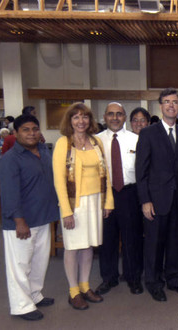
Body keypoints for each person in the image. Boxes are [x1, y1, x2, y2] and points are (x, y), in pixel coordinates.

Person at [0, 115, 58, 321]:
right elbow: (9, 193)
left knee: (39, 262)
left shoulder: (43, 151)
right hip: (20, 222)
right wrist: (19, 221)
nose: (31, 133)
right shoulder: (10, 160)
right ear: (16, 133)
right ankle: (22, 305)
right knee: (20, 265)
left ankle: (34, 294)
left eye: (35, 129)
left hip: (42, 216)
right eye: (26, 130)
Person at [52, 102, 114, 310]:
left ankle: (85, 286)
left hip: (95, 201)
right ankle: (73, 291)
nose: (81, 121)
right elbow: (59, 180)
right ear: (70, 121)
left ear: (90, 120)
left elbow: (106, 175)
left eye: (85, 117)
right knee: (72, 247)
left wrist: (108, 202)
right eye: (76, 117)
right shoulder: (63, 143)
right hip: (74, 204)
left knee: (88, 246)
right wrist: (66, 210)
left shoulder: (96, 141)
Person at [135, 88, 178, 302]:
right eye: (167, 102)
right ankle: (153, 282)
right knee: (154, 244)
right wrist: (145, 201)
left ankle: (174, 280)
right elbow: (141, 171)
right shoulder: (148, 133)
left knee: (176, 242)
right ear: (161, 106)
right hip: (155, 200)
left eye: (175, 102)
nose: (171, 105)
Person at [95, 103, 143, 296]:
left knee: (132, 237)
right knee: (107, 238)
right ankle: (109, 278)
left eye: (119, 114)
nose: (115, 118)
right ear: (104, 117)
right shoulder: (95, 141)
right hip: (104, 194)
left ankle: (133, 278)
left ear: (125, 118)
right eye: (111, 114)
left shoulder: (137, 139)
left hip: (129, 193)